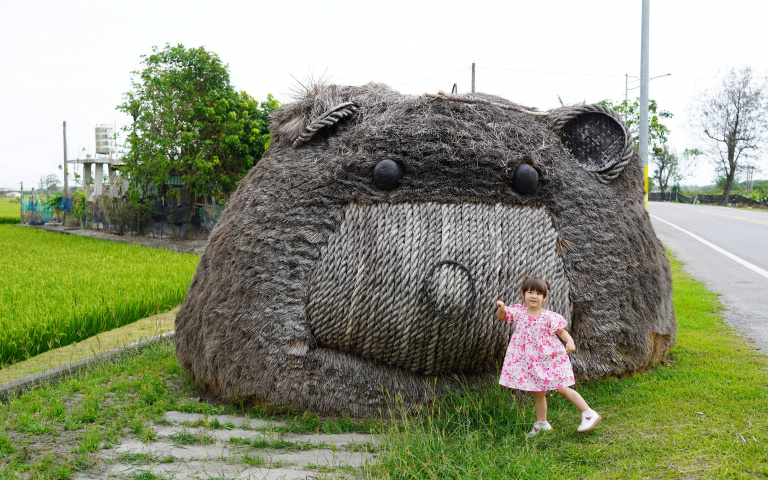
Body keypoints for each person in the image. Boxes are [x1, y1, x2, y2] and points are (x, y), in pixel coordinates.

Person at [495, 276, 601, 437]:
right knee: (538, 392)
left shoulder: (548, 316)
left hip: (548, 359)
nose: (534, 296)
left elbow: (561, 332)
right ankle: (542, 424)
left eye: (538, 293)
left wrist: (570, 341)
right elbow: (502, 316)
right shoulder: (519, 312)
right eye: (530, 292)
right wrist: (501, 308)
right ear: (522, 294)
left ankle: (588, 413)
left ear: (544, 297)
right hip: (533, 362)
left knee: (561, 388)